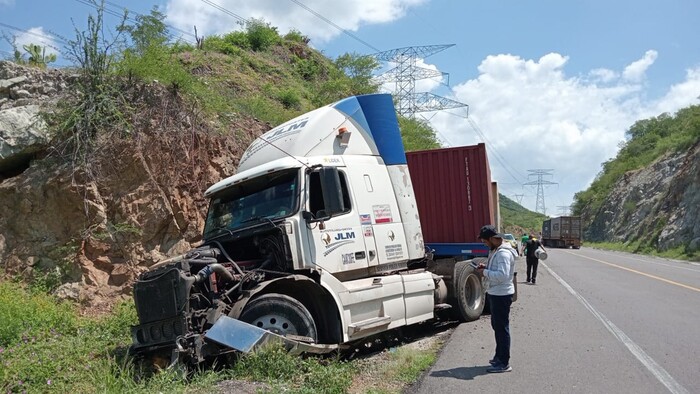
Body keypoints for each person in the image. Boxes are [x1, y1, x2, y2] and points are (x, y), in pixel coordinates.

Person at [476, 225, 517, 373]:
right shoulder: (496, 251)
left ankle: (504, 363)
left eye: (486, 241)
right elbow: (498, 271)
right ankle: (499, 357)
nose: (485, 244)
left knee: (501, 329)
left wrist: (485, 272)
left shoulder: (503, 254)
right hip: (496, 293)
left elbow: (502, 275)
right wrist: (485, 267)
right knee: (497, 327)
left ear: (493, 239)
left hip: (501, 294)